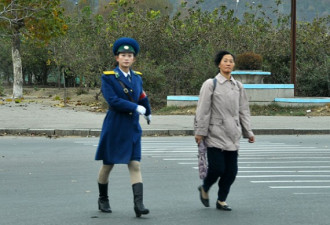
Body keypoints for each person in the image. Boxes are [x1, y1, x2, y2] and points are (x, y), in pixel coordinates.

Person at [95, 37, 151, 217]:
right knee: (108, 164)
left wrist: (147, 111)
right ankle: (103, 198)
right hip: (115, 125)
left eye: (130, 55)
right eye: (123, 55)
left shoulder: (137, 77)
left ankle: (139, 204)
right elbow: (112, 100)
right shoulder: (109, 77)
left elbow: (141, 96)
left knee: (134, 164)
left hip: (132, 126)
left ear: (134, 59)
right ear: (117, 58)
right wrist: (135, 107)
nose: (126, 58)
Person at [194, 50, 255, 211]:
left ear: (234, 65)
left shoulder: (238, 86)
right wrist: (200, 131)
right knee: (217, 168)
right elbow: (203, 109)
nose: (228, 63)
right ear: (219, 64)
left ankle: (221, 200)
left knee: (231, 172)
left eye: (231, 61)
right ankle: (205, 187)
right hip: (215, 132)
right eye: (225, 60)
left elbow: (244, 110)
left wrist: (248, 131)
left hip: (233, 134)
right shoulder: (210, 84)